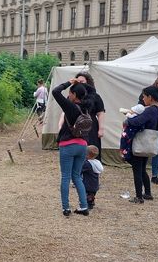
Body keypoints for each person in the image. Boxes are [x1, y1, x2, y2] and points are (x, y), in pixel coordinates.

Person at [51, 78, 91, 217]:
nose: (69, 95)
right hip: (82, 145)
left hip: (68, 145)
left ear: (74, 94)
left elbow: (56, 91)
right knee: (77, 177)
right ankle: (84, 206)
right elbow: (89, 92)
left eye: (70, 93)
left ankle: (66, 208)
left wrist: (70, 82)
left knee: (66, 177)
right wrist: (81, 85)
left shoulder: (70, 107)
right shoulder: (87, 108)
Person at [126, 86, 158, 204]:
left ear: (150, 97)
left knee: (137, 170)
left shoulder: (150, 110)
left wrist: (127, 118)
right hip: (149, 143)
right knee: (142, 169)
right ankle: (147, 193)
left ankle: (139, 197)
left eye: (144, 96)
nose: (143, 98)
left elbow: (138, 121)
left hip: (141, 143)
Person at [75, 72, 105, 161]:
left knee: (91, 148)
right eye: (78, 81)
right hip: (76, 125)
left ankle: (92, 172)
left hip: (91, 125)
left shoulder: (95, 96)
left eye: (82, 81)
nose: (80, 84)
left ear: (88, 82)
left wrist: (101, 129)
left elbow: (100, 113)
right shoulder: (73, 96)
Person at [82, 145, 104, 209]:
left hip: (88, 184)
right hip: (95, 184)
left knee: (88, 195)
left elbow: (80, 169)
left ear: (87, 155)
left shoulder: (87, 164)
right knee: (92, 194)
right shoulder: (97, 162)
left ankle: (89, 205)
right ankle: (91, 202)